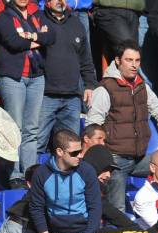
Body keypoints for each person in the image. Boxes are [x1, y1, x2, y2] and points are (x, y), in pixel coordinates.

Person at [85, 41, 158, 211]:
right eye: (129, 60)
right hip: (116, 160)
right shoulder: (105, 89)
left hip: (141, 158)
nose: (134, 65)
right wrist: (103, 160)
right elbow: (92, 125)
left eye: (137, 60)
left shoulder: (142, 86)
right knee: (117, 209)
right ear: (118, 61)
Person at [0, 0, 56, 188]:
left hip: (37, 77)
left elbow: (51, 36)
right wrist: (37, 38)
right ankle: (15, 174)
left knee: (32, 130)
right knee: (16, 128)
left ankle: (30, 173)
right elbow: (13, 42)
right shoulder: (5, 16)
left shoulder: (37, 15)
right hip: (14, 78)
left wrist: (29, 36)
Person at [36, 0, 95, 161]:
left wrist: (89, 84)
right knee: (37, 144)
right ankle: (31, 180)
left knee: (71, 147)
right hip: (45, 95)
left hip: (72, 97)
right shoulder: (37, 19)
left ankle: (66, 181)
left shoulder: (76, 23)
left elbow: (86, 59)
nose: (59, 1)